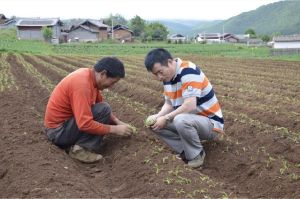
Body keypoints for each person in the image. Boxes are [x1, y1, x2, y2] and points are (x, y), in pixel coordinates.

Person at [144, 48, 224, 168]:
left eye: (160, 72)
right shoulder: (168, 78)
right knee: (154, 123)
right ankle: (185, 151)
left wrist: (165, 118)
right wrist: (158, 116)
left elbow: (190, 106)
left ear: (170, 62)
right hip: (190, 121)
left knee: (180, 119)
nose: (159, 77)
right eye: (156, 74)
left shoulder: (188, 71)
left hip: (210, 124)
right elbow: (169, 104)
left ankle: (197, 155)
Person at [44, 57, 133, 163]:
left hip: (64, 127)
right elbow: (84, 124)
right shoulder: (82, 85)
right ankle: (80, 150)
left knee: (104, 108)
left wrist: (118, 122)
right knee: (103, 109)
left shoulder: (89, 77)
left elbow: (101, 107)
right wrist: (115, 129)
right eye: (112, 82)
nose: (111, 86)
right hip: (58, 133)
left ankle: (77, 144)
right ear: (103, 74)